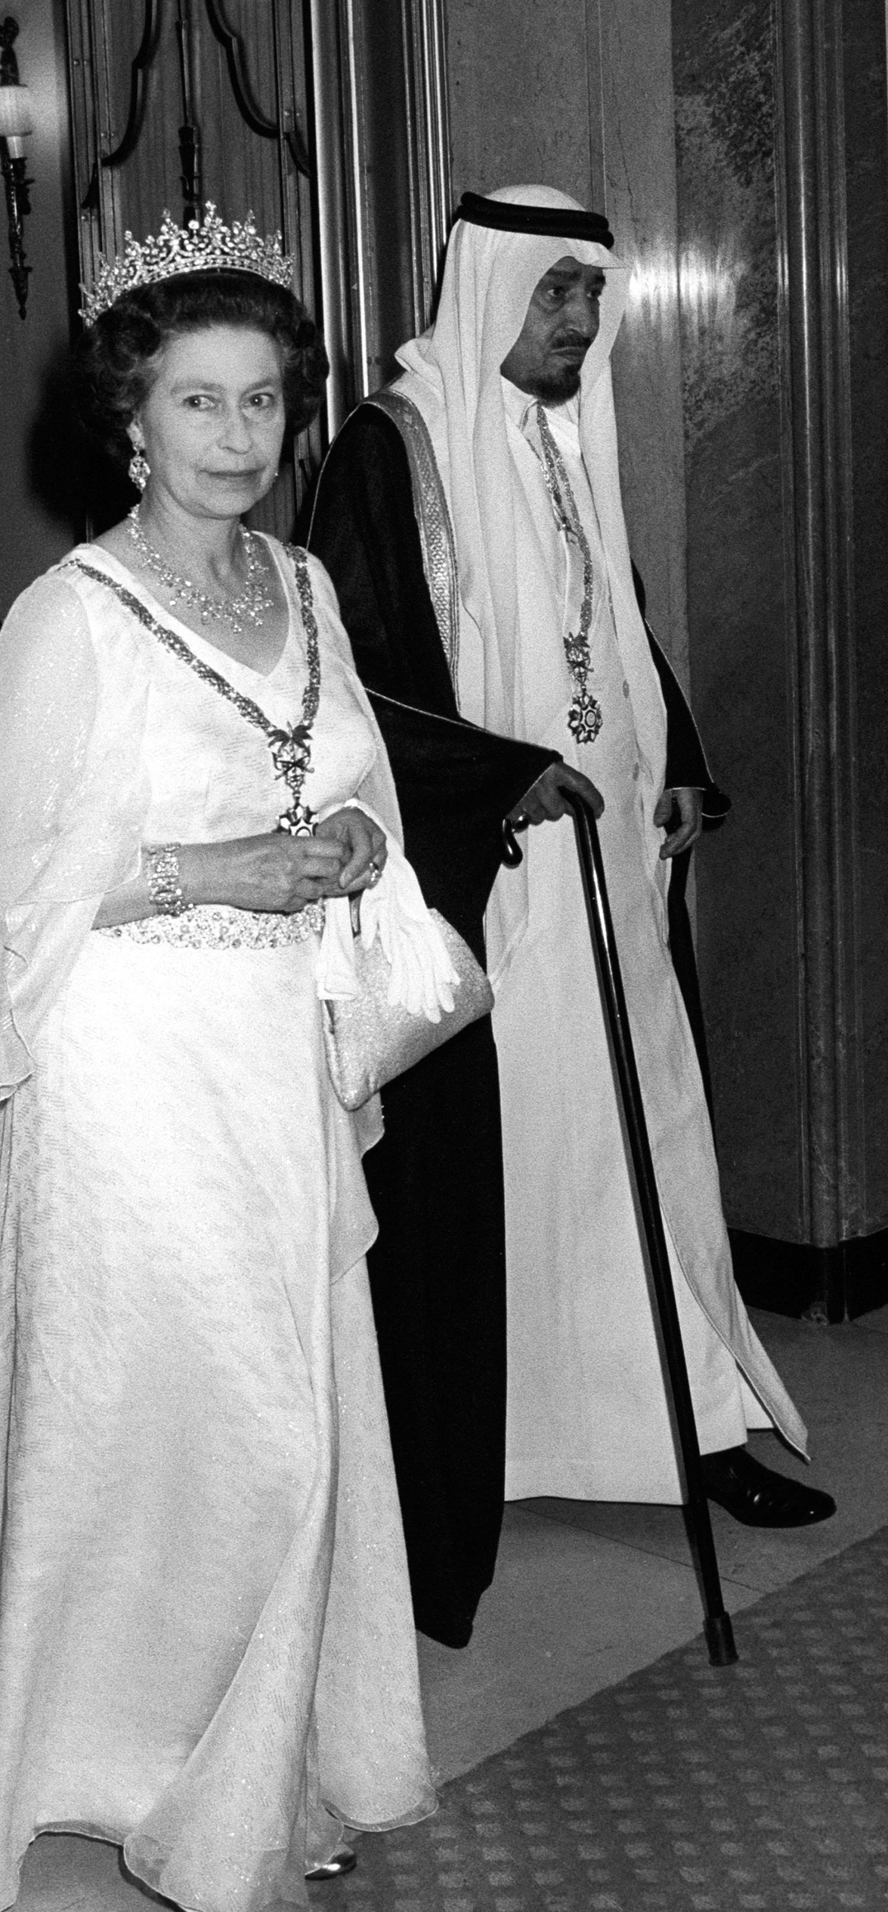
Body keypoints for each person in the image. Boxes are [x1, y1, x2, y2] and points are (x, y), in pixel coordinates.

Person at [0, 208, 436, 1912]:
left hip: (270, 1056)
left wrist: (359, 841)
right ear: (130, 421)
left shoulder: (301, 585)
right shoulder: (68, 619)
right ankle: (121, 1757)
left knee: (293, 1409)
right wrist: (210, 873)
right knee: (195, 1421)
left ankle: (245, 1749)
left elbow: (361, 771)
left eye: (262, 405)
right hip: (124, 1063)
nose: (238, 439)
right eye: (200, 405)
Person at [306, 184, 834, 1649]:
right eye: (556, 298)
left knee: (648, 1147)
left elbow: (619, 631)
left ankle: (692, 1429)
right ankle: (499, 1452)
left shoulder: (566, 437)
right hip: (488, 887)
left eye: (592, 299)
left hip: (611, 875)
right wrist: (493, 783)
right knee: (513, 1174)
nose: (579, 325)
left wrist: (680, 771)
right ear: (490, 293)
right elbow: (351, 679)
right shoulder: (387, 452)